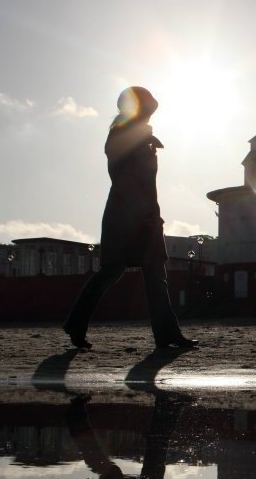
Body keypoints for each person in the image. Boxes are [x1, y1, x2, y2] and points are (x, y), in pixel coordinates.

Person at [63, 86, 196, 350]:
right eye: (147, 110)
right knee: (111, 272)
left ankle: (167, 334)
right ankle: (76, 323)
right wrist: (143, 212)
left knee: (154, 273)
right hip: (126, 215)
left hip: (144, 213)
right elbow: (125, 177)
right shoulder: (121, 135)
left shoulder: (141, 136)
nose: (150, 116)